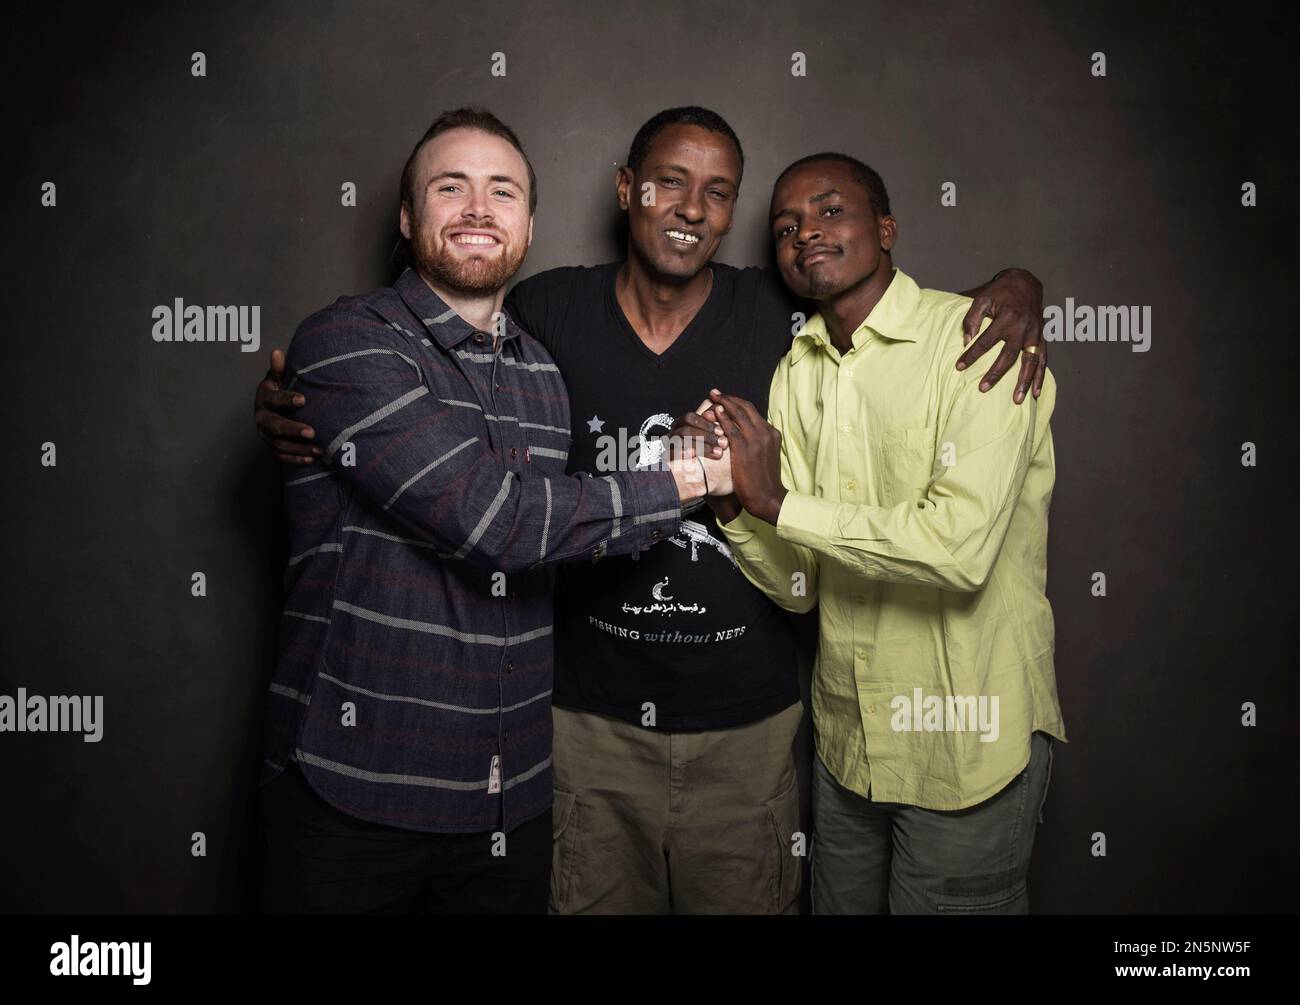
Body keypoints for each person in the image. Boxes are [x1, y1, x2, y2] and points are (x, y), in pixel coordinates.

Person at [255, 108, 1049, 914]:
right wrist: (305, 404)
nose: (692, 208)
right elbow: (477, 479)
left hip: (736, 731)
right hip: (567, 734)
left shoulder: (779, 318)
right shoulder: (540, 317)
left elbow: (869, 306)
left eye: (718, 192)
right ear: (626, 189)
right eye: (670, 181)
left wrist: (1017, 290)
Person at [257, 106, 731, 915]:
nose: (479, 209)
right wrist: (693, 481)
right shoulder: (347, 343)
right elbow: (498, 523)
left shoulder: (542, 374)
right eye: (452, 187)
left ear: (529, 222)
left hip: (506, 806)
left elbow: (560, 526)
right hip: (354, 791)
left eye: (502, 191)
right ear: (409, 218)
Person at [691, 153, 1065, 914]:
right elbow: (802, 586)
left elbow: (958, 553)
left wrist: (780, 502)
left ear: (886, 228)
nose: (806, 234)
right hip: (850, 746)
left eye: (831, 211)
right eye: (787, 226)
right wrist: (735, 504)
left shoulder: (978, 338)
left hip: (968, 741)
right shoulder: (797, 370)